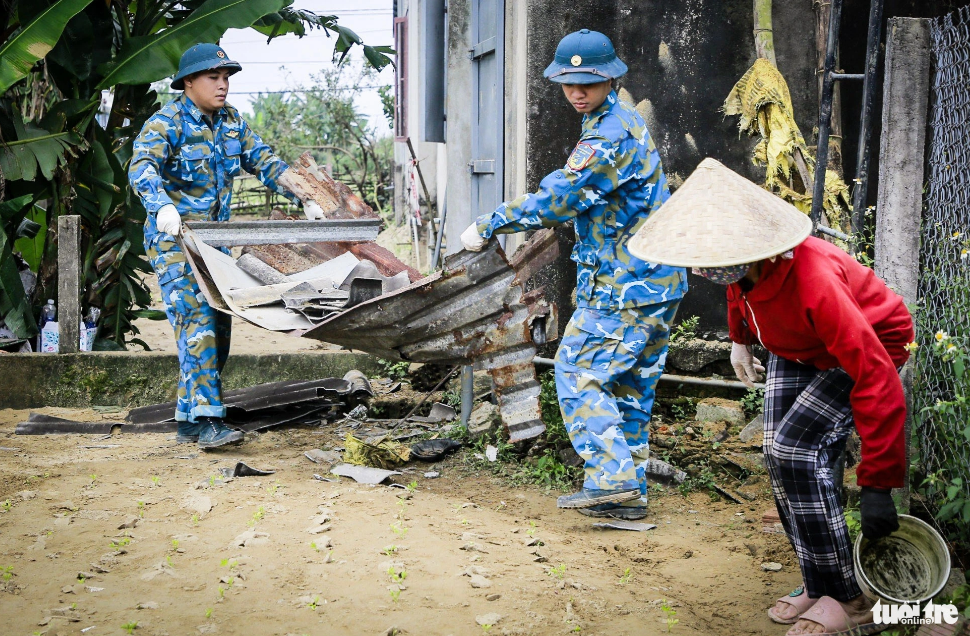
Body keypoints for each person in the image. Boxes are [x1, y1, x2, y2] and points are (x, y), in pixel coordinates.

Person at [629, 158, 912, 636]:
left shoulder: (815, 281)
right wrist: (739, 338)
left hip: (870, 346)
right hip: (798, 345)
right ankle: (818, 581)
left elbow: (876, 375)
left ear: (757, 248)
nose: (704, 268)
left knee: (794, 450)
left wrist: (878, 483)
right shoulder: (743, 268)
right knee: (775, 453)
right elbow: (740, 291)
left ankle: (851, 598)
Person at [460, 29, 688, 520]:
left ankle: (614, 484)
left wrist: (489, 224)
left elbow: (559, 199)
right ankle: (627, 494)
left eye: (588, 81)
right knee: (626, 386)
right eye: (569, 82)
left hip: (626, 285)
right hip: (653, 280)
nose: (578, 91)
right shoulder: (613, 120)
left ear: (610, 77)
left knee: (578, 369)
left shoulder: (608, 136)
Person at [128, 43, 324, 450]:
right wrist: (160, 204)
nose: (223, 85)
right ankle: (207, 419)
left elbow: (265, 162)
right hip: (174, 240)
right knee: (197, 323)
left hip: (214, 242)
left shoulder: (232, 122)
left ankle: (191, 418)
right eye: (213, 77)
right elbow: (142, 167)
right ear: (188, 82)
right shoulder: (166, 123)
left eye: (226, 78)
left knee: (219, 325)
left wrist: (304, 195)